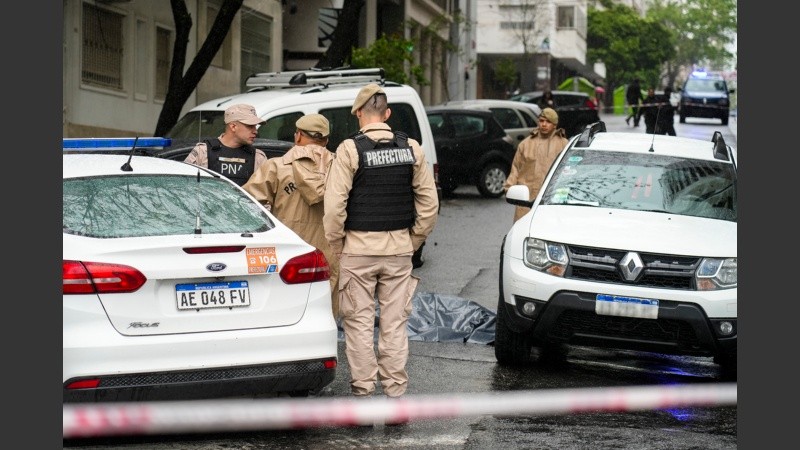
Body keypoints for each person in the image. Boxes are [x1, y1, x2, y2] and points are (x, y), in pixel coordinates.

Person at [323, 83, 439, 398]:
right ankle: (395, 394)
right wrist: (411, 241)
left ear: (359, 113)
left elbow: (334, 209)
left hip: (357, 250)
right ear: (387, 113)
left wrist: (339, 246)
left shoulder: (349, 149)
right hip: (399, 250)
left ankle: (363, 394)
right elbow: (429, 207)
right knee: (394, 325)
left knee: (359, 325)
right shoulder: (411, 148)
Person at [242, 113, 340, 319]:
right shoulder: (342, 168)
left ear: (298, 136)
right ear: (326, 140)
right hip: (330, 254)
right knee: (324, 314)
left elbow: (245, 204)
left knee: (283, 312)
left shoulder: (276, 167)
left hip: (287, 253)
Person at [503, 107, 569, 223]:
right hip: (526, 201)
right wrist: (509, 188)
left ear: (555, 124)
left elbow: (569, 172)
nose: (544, 124)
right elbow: (515, 169)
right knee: (522, 234)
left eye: (548, 122)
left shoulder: (563, 144)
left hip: (552, 201)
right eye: (541, 120)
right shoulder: (525, 144)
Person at [184, 103, 268, 186]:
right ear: (233, 126)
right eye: (250, 126)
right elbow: (184, 184)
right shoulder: (202, 151)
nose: (255, 131)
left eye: (255, 126)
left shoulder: (258, 157)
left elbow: (264, 194)